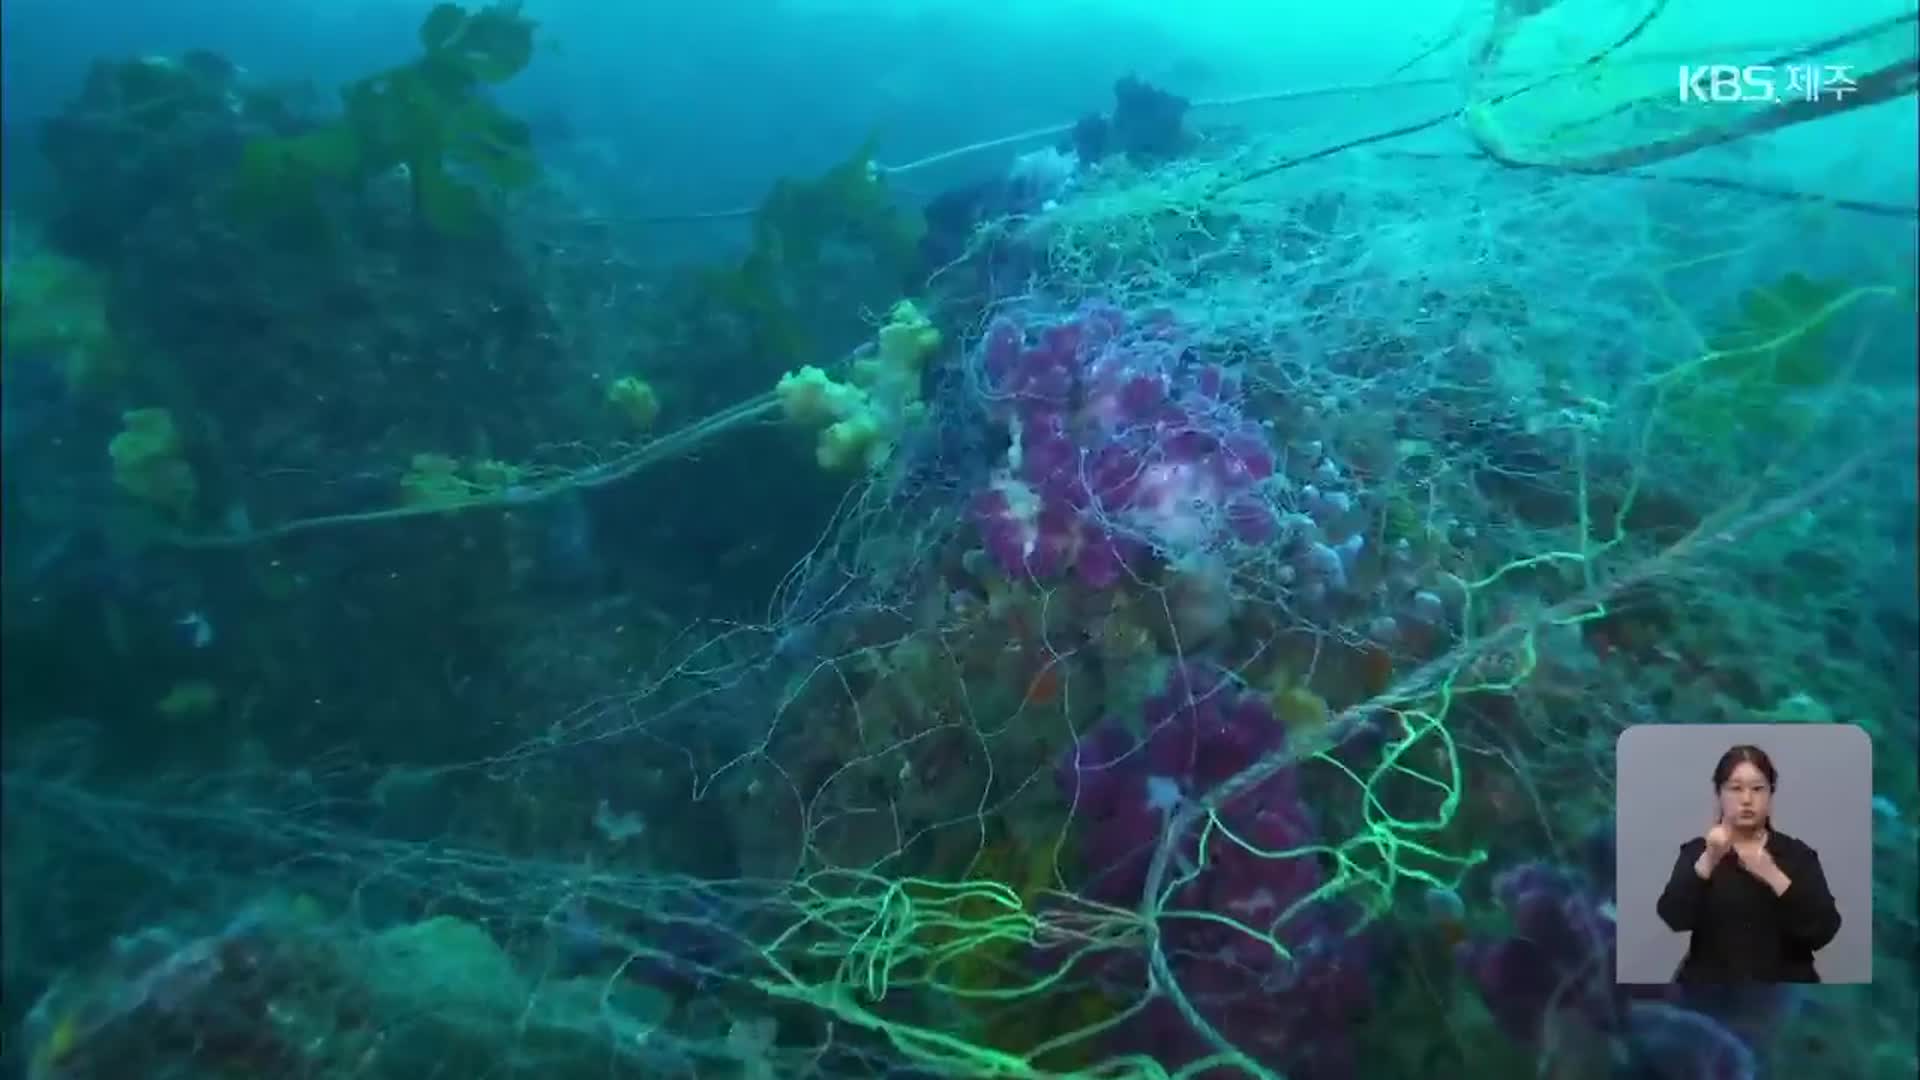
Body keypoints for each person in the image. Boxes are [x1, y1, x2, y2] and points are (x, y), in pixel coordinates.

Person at [1655, 744, 1842, 982]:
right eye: (1735, 788)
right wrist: (1709, 860)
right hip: (1711, 991)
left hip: (1782, 992)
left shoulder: (1797, 856)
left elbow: (1824, 931)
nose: (1746, 799)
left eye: (1757, 789)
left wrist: (1772, 873)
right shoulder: (1697, 853)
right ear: (1719, 794)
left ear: (1770, 793)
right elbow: (1674, 917)